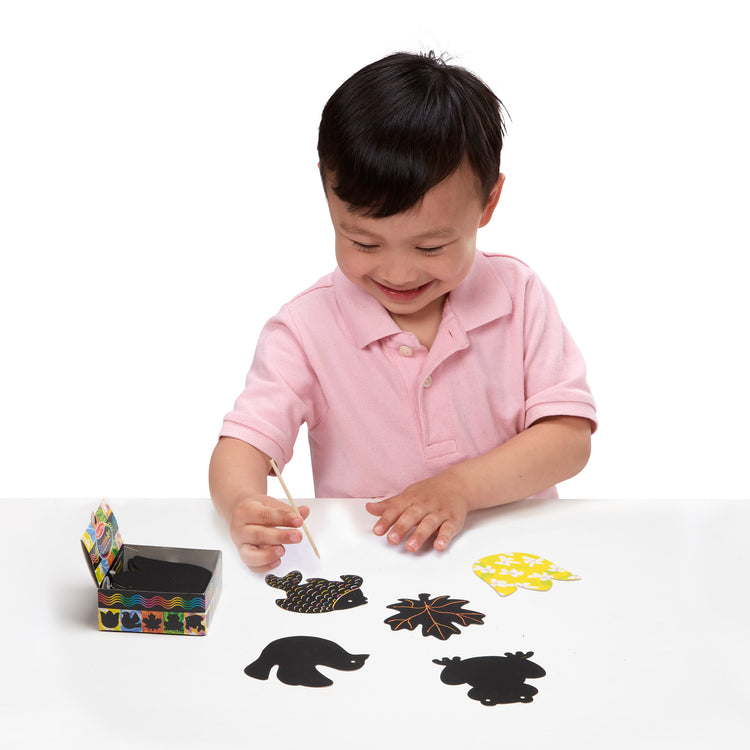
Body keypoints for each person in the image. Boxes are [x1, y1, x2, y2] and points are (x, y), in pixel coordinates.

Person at [209, 51, 597, 573]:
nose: (398, 273)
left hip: (520, 556)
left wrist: (457, 488)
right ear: (327, 193)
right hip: (375, 565)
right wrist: (243, 503)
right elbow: (245, 443)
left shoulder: (517, 294)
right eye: (363, 243)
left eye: (431, 248)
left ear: (488, 202)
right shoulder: (305, 329)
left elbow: (568, 440)